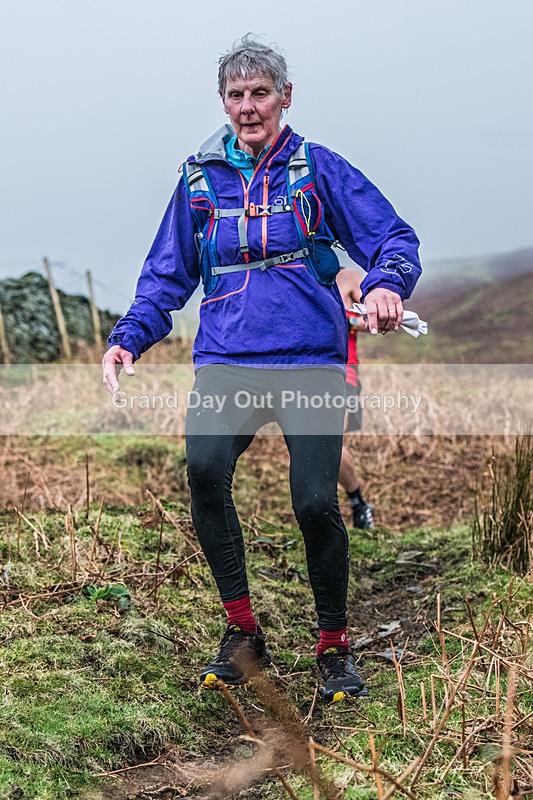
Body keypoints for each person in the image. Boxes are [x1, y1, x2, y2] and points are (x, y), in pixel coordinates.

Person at [102, 34, 421, 703]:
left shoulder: (317, 168)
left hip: (309, 359)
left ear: (284, 97)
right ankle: (243, 632)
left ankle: (333, 646)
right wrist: (131, 335)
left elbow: (392, 236)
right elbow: (167, 274)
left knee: (312, 500)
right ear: (223, 101)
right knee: (203, 469)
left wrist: (388, 283)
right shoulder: (198, 180)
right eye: (236, 95)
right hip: (225, 359)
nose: (248, 107)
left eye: (260, 94)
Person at [335, 267, 375, 530]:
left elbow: (373, 320)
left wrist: (342, 319)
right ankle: (355, 502)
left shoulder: (348, 277)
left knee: (328, 440)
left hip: (343, 370)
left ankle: (358, 504)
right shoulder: (295, 270)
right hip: (304, 371)